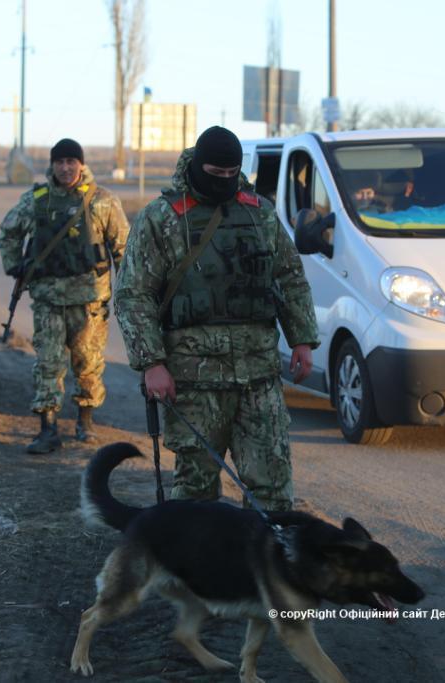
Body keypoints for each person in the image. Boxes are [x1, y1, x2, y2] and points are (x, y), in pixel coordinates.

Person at [114, 126, 318, 511]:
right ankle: (200, 570)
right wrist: (151, 363)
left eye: (231, 174)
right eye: (215, 173)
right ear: (196, 166)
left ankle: (263, 569)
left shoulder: (259, 213)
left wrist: (302, 338)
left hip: (258, 375)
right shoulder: (162, 218)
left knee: (272, 486)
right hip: (193, 380)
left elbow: (289, 276)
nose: (223, 181)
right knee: (197, 491)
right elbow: (133, 294)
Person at [0, 138, 130, 453]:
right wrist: (15, 266)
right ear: (52, 165)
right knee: (48, 362)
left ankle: (86, 422)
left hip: (89, 299)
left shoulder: (102, 201)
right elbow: (8, 231)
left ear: (81, 164)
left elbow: (123, 247)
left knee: (88, 362)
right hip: (48, 299)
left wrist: (129, 287)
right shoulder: (36, 200)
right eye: (60, 162)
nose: (66, 167)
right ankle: (48, 429)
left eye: (72, 161)